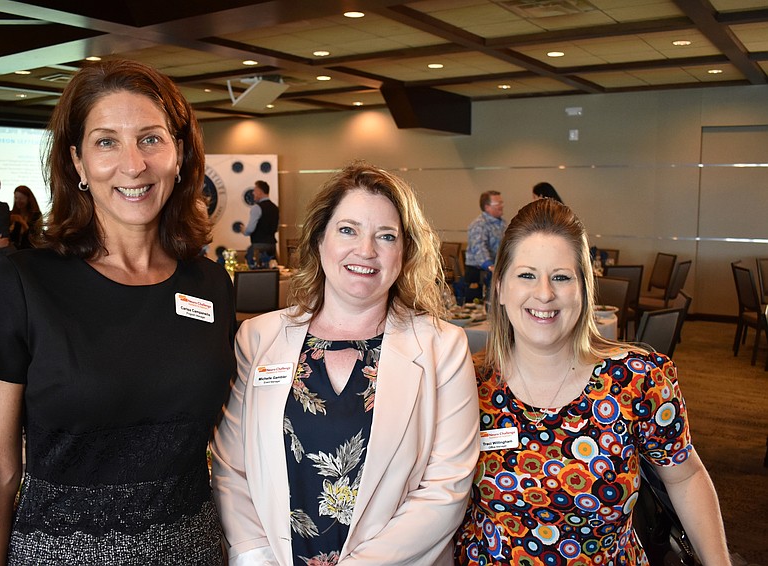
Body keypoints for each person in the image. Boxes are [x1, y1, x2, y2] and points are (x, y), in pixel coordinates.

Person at [0, 59, 236, 565]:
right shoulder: (24, 283)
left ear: (180, 155)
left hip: (192, 551)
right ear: (78, 163)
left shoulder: (211, 284)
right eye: (106, 141)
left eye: (151, 139)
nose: (133, 165)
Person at [212, 162, 479, 565]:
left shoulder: (443, 347)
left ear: (405, 252)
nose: (366, 250)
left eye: (386, 236)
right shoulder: (258, 338)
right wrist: (255, 556)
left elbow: (446, 487)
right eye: (348, 230)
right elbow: (231, 468)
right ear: (320, 240)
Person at [454, 198, 731, 565]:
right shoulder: (464, 384)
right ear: (501, 287)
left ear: (584, 289)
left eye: (561, 277)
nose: (544, 294)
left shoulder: (637, 380)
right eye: (527, 275)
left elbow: (684, 477)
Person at [464, 190, 505, 302]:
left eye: (502, 203)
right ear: (487, 207)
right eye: (498, 204)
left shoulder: (501, 223)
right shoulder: (479, 224)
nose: (502, 206)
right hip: (478, 273)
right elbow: (479, 248)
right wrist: (490, 266)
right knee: (476, 309)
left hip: (494, 271)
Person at [241, 179, 279, 268]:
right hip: (272, 245)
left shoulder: (257, 208)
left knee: (257, 273)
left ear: (259, 191)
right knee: (272, 272)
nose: (253, 193)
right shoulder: (275, 208)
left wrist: (244, 230)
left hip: (259, 246)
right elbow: (277, 227)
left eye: (254, 191)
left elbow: (250, 229)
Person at [9, 185, 43, 249]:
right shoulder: (12, 214)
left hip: (30, 251)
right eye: (16, 198)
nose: (18, 201)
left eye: (21, 198)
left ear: (28, 199)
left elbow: (34, 236)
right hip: (13, 252)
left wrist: (22, 222)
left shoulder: (36, 215)